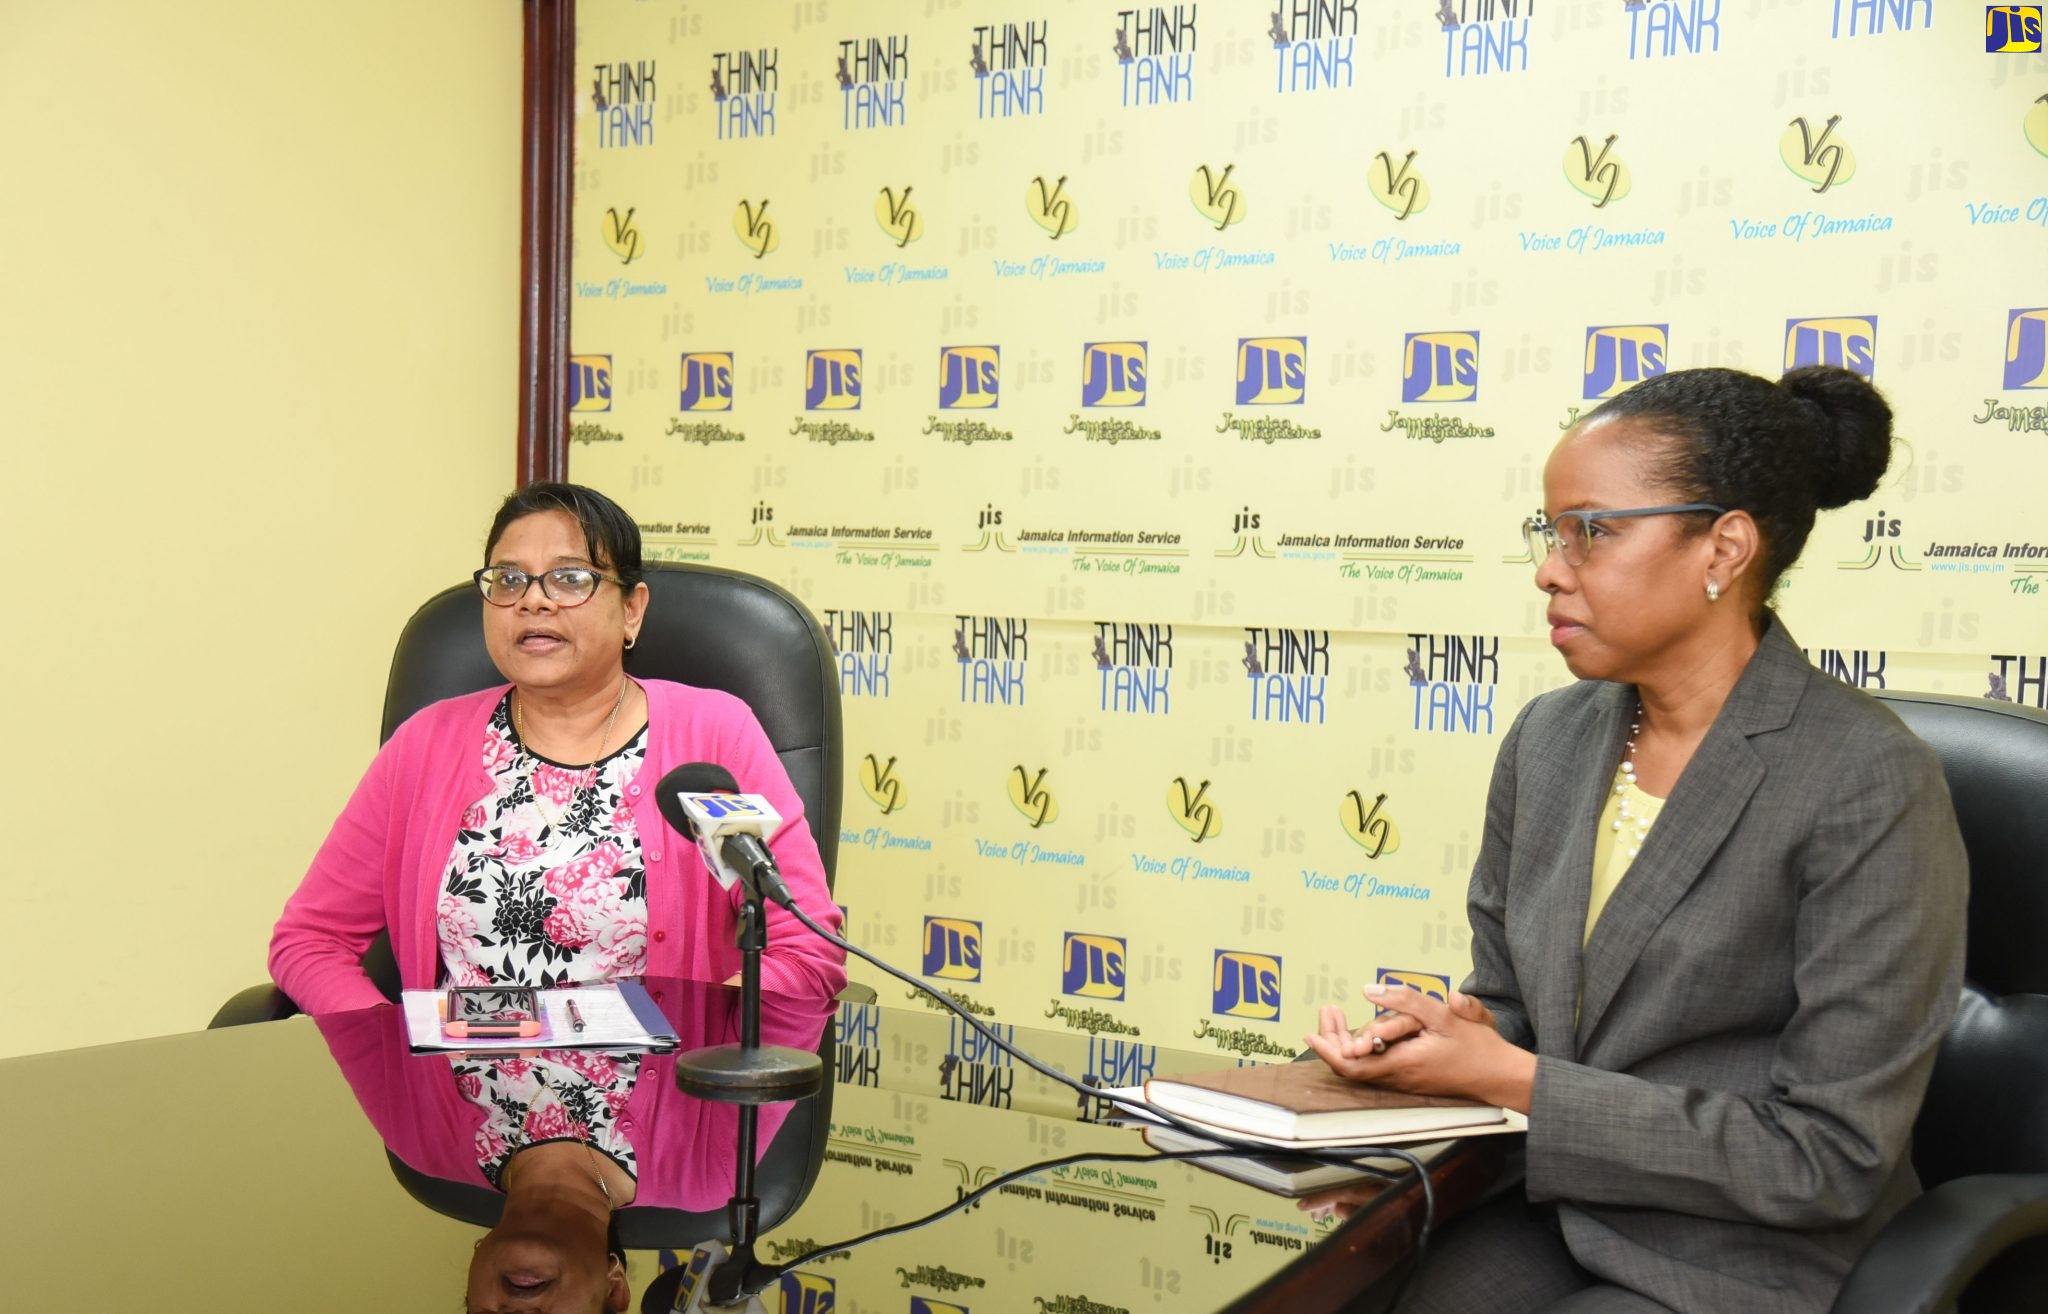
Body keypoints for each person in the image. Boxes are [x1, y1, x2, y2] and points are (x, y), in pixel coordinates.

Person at [1304, 367, 1967, 1313]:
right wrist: (1447, 1040)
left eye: (1593, 530)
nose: (1549, 566)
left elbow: (1828, 1158)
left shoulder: (1866, 780)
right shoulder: (1552, 737)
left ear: (1724, 547)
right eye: (1550, 530)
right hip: (1551, 1208)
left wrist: (1518, 1079)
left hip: (1742, 1255)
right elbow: (1516, 1007)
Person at [269, 481, 846, 1013]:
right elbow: (310, 940)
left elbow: (806, 954)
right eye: (509, 579)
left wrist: (696, 1029)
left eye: (570, 578)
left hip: (656, 1108)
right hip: (453, 1110)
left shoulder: (711, 739)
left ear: (632, 610)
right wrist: (386, 1048)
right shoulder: (426, 746)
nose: (533, 601)